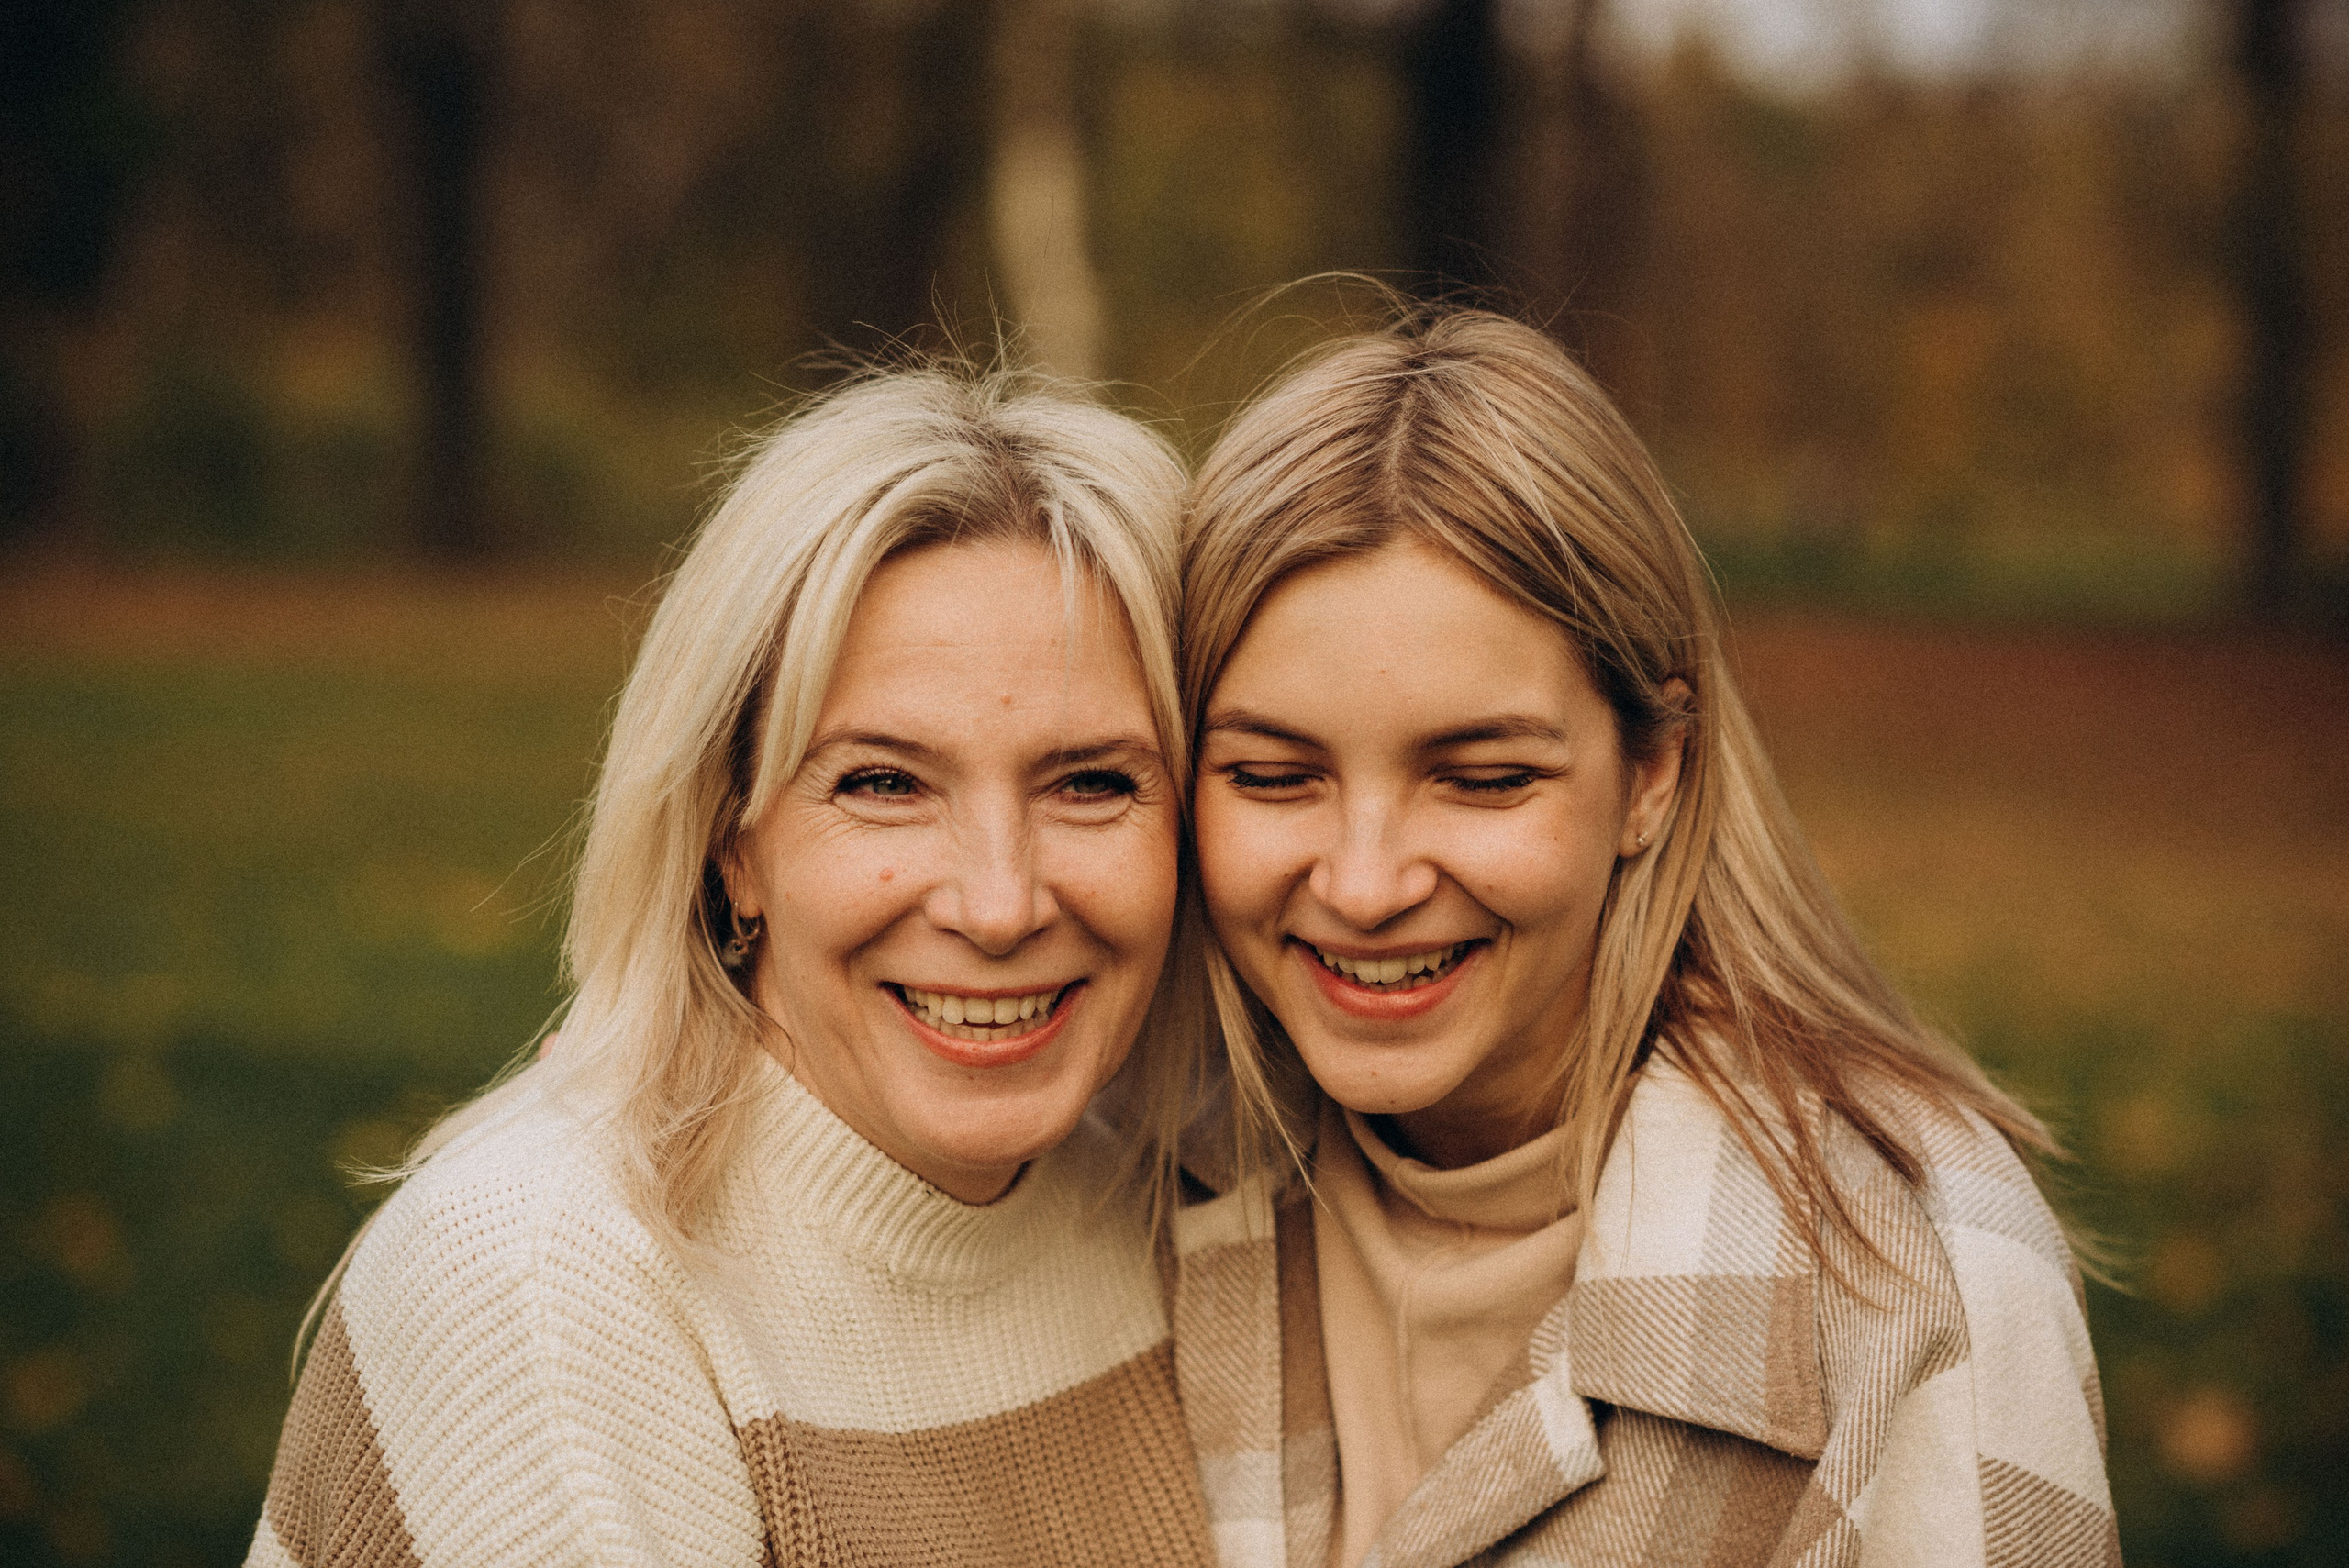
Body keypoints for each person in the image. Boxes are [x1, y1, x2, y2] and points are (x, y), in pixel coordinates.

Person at [1169, 309, 2116, 1567]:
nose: (1366, 882)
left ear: (1653, 771)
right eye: (1275, 775)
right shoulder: (1130, 1181)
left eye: (1485, 777)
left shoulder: (1919, 1284)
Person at [249, 365, 1216, 1567]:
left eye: (1092, 782)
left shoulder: (1199, 1218)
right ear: (731, 841)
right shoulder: (544, 1281)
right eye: (883, 782)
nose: (1001, 901)